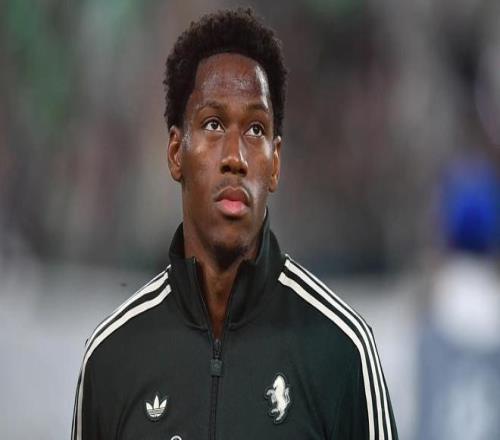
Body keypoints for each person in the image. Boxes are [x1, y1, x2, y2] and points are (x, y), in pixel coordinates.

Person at [71, 8, 398, 440]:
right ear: (176, 152)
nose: (235, 157)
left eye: (256, 130)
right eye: (213, 124)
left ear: (275, 164)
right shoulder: (112, 358)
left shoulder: (342, 350)